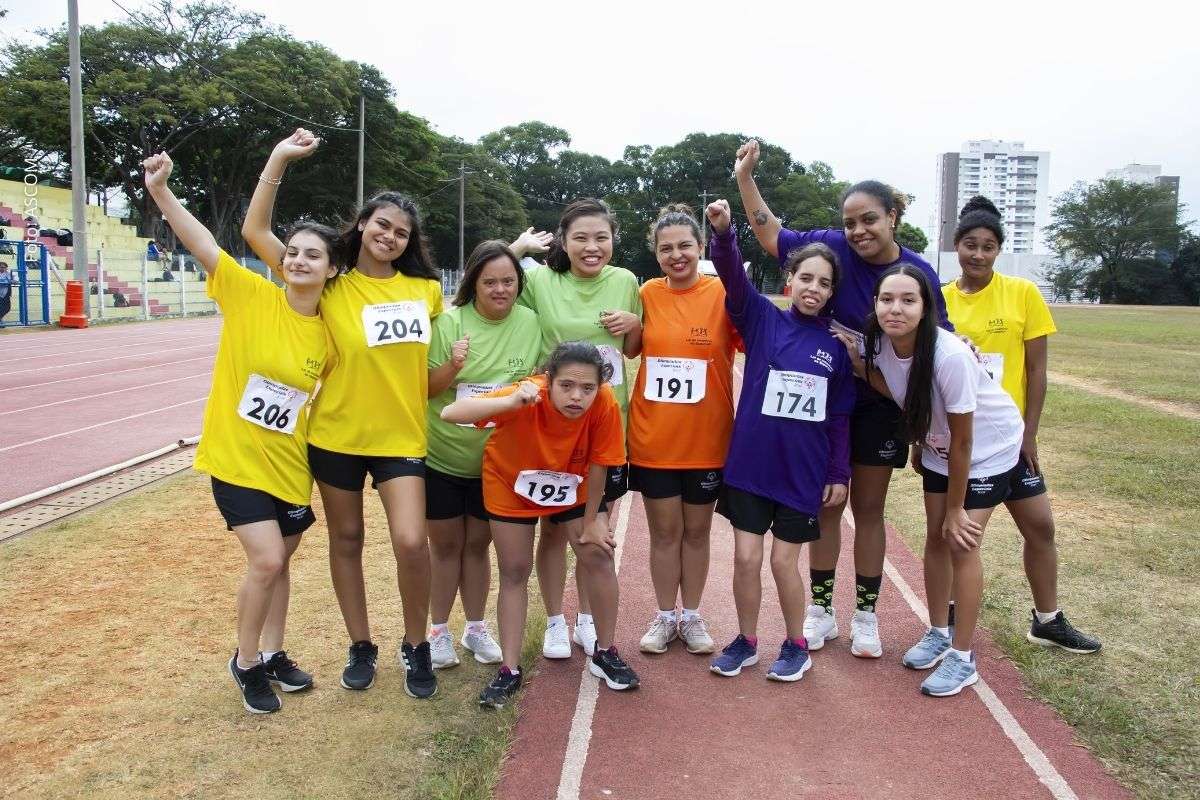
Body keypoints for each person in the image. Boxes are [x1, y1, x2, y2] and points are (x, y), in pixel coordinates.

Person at [242, 128, 443, 699]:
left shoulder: (426, 291)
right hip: (335, 436)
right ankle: (361, 645)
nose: (390, 236)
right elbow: (255, 232)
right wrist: (279, 158)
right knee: (347, 539)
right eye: (382, 224)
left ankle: (416, 644)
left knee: (412, 541)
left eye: (401, 232)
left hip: (401, 437)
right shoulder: (331, 281)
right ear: (362, 225)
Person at [733, 139, 951, 658]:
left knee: (869, 509)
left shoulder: (918, 275)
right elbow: (770, 234)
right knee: (826, 506)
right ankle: (822, 609)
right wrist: (745, 179)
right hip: (823, 395)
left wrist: (918, 412)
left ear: (893, 217)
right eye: (850, 222)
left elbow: (936, 350)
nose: (859, 231)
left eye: (869, 219)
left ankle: (867, 615)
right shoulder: (834, 248)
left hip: (879, 404)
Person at [143, 150, 337, 714]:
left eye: (313, 255)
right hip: (235, 458)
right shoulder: (251, 295)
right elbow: (204, 243)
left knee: (282, 564)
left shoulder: (330, 334)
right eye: (293, 251)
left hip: (290, 465)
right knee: (267, 560)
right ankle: (246, 661)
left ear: (331, 270)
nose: (298, 260)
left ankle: (273, 653)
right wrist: (161, 192)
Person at [845, 264, 1025, 696]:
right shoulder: (879, 344)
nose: (896, 309)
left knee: (960, 541)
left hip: (987, 450)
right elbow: (903, 393)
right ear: (875, 305)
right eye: (887, 299)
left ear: (926, 308)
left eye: (908, 300)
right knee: (935, 538)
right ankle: (939, 632)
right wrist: (859, 366)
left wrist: (957, 508)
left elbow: (965, 440)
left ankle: (963, 657)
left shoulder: (950, 356)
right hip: (940, 448)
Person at [703, 199, 855, 682]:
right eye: (806, 278)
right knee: (746, 557)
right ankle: (746, 641)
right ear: (790, 279)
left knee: (783, 562)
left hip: (801, 471)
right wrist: (723, 234)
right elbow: (732, 276)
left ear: (831, 293)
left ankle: (795, 644)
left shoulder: (836, 346)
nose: (814, 289)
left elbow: (839, 416)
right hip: (751, 465)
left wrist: (838, 472)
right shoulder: (763, 319)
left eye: (824, 283)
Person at [940, 197, 1100, 653]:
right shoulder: (941, 299)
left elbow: (1037, 370)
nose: (978, 254)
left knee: (1041, 527)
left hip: (1013, 439)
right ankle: (947, 616)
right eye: (970, 245)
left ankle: (1047, 620)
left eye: (988, 247)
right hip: (968, 442)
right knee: (963, 536)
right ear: (956, 246)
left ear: (998, 250)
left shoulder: (1023, 293)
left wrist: (1030, 434)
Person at [442, 341, 639, 707]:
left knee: (598, 555)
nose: (577, 396)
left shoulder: (605, 403)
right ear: (549, 380)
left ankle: (605, 652)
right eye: (566, 385)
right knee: (515, 569)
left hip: (572, 482)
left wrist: (594, 521)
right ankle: (509, 669)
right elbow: (450, 412)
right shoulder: (528, 392)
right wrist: (509, 402)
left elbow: (601, 462)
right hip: (511, 482)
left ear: (599, 386)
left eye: (587, 387)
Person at [509, 198, 642, 660]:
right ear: (563, 242)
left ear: (613, 240)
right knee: (551, 531)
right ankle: (554, 621)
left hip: (606, 426)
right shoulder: (541, 281)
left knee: (593, 532)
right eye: (580, 238)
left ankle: (587, 618)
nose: (592, 246)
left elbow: (633, 348)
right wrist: (517, 248)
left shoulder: (625, 281)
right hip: (552, 429)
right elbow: (489, 283)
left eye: (601, 237)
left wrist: (635, 323)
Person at [424, 240, 543, 669]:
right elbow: (426, 389)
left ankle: (475, 628)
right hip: (443, 457)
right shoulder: (450, 323)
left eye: (508, 281)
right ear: (473, 282)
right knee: (445, 547)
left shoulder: (531, 322)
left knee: (477, 545)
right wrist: (453, 367)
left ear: (518, 284)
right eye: (489, 281)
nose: (499, 289)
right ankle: (437, 631)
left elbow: (541, 376)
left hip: (496, 463)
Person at [628, 204, 738, 656]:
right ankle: (663, 615)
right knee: (664, 533)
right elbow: (628, 347)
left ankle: (690, 615)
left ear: (701, 247)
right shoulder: (646, 294)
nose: (676, 255)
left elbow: (757, 340)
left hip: (707, 438)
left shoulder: (723, 293)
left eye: (685, 246)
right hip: (654, 438)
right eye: (666, 248)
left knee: (696, 532)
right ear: (655, 253)